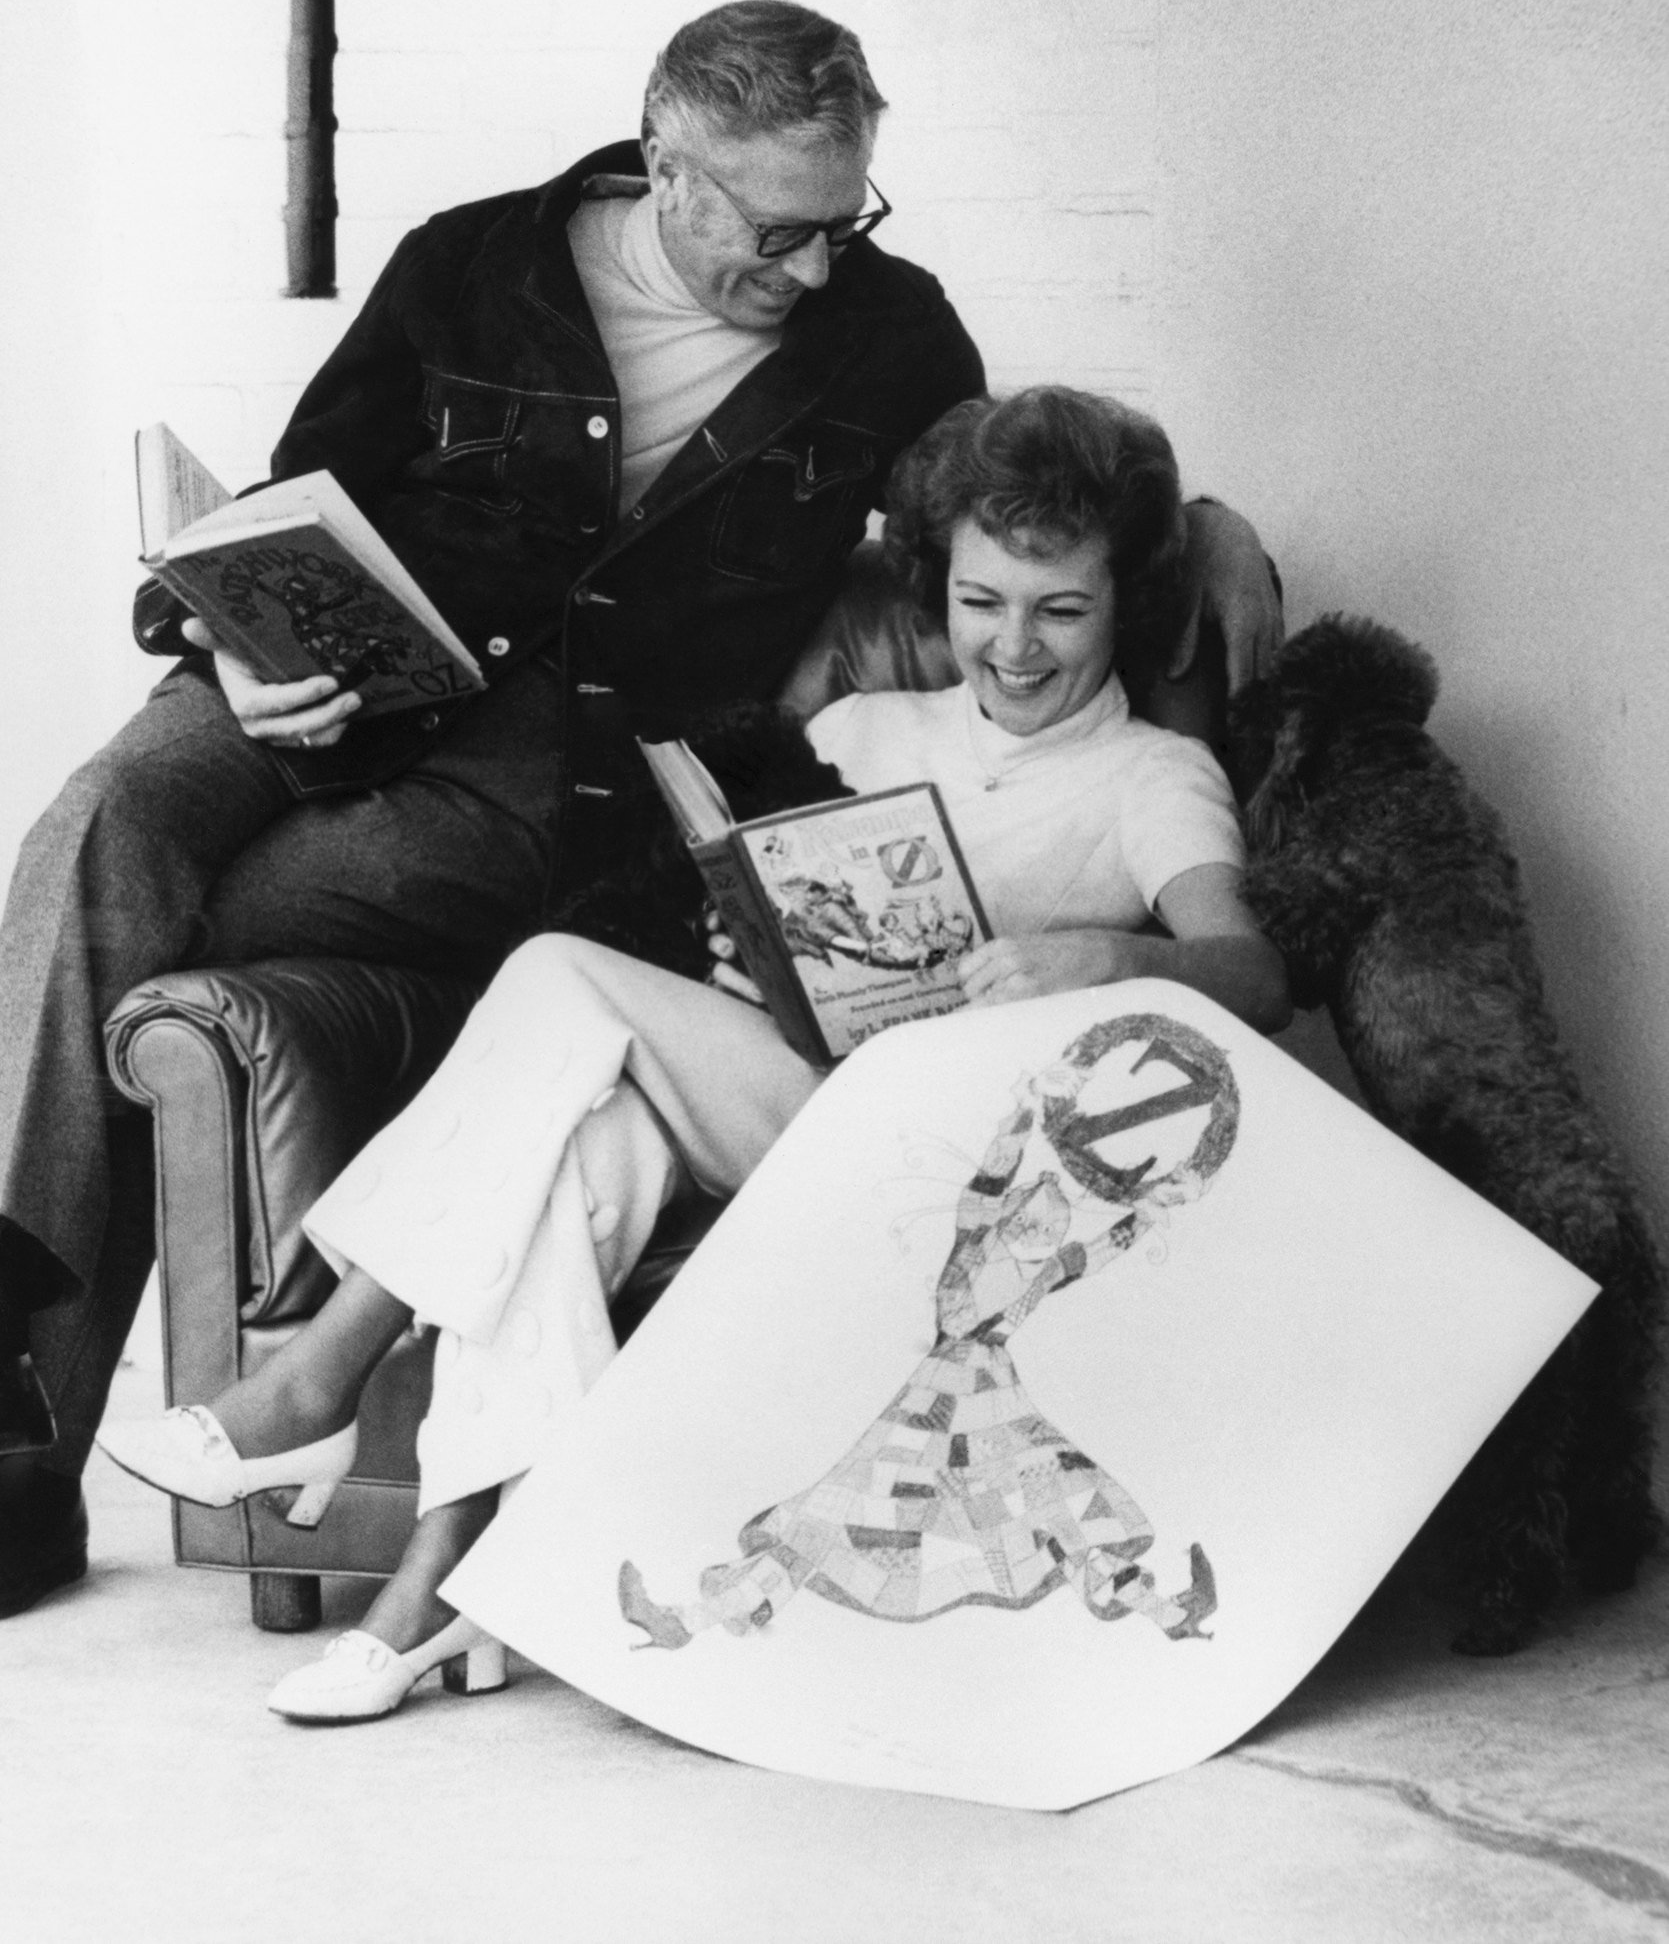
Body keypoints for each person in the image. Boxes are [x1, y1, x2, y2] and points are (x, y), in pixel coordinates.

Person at [0, 0, 1280, 1618]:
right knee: (94, 832)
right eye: (777, 230)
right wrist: (223, 644)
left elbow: (1025, 496)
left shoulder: (891, 341)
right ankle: (16, 1454)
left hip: (541, 791)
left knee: (152, 959)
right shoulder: (472, 263)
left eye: (845, 222)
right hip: (320, 692)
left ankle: (141, 1444)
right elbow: (297, 485)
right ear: (666, 165)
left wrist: (1211, 529)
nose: (815, 266)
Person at [99, 385, 1290, 1721]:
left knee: (556, 979)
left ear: (1123, 598)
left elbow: (1251, 973)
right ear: (936, 584)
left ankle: (322, 1371)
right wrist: (748, 951)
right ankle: (434, 1594)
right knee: (570, 1159)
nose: (1010, 645)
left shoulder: (1151, 779)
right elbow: (777, 923)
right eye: (978, 601)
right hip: (792, 1096)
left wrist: (1116, 958)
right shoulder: (861, 731)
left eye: (1059, 610)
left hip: (951, 1159)